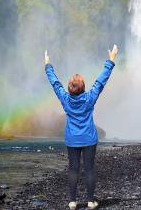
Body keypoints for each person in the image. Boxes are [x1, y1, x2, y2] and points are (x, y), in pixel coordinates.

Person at [44, 45, 118, 210]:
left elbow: (55, 83)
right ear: (84, 87)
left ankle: (72, 201)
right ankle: (91, 202)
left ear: (69, 89)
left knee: (73, 169)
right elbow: (101, 81)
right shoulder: (90, 98)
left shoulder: (65, 98)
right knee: (90, 169)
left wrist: (48, 65)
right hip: (89, 138)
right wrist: (111, 61)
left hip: (72, 138)